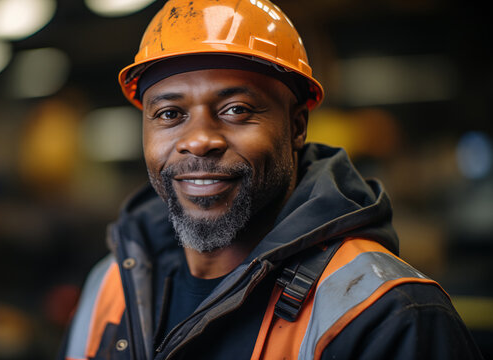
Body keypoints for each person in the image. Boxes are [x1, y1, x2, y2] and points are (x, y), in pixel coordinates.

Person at [59, 0, 484, 359]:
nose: (200, 140)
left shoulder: (388, 314)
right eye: (170, 114)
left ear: (297, 126)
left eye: (236, 109)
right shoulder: (111, 285)